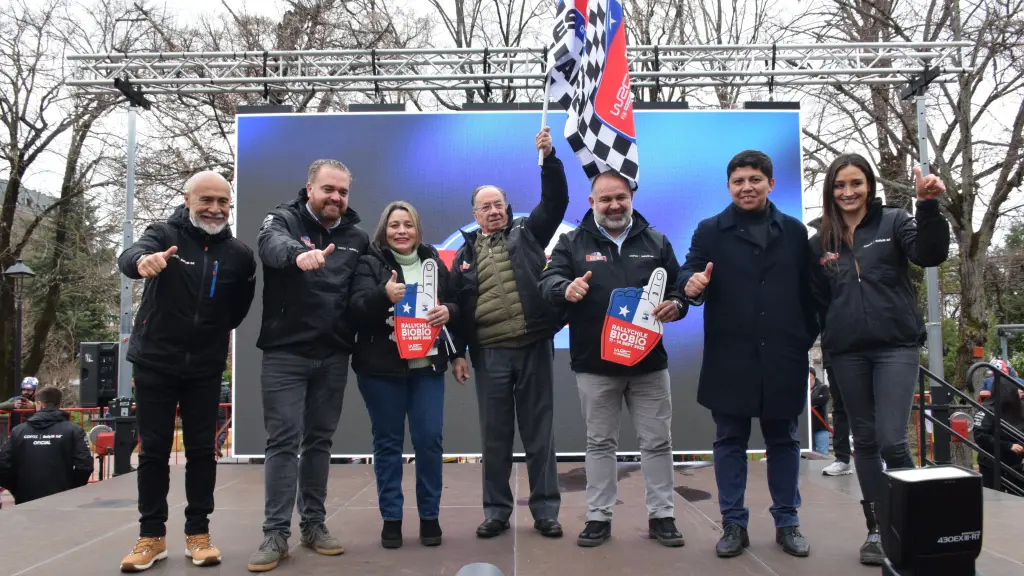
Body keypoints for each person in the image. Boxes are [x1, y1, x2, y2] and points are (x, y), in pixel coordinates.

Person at [808, 153, 949, 565]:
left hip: (895, 347)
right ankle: (878, 529)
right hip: (845, 352)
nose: (848, 192)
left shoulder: (895, 221)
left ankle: (913, 522)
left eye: (856, 183)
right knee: (865, 441)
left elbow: (930, 254)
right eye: (839, 185)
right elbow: (816, 301)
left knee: (892, 439)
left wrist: (927, 206)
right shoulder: (819, 242)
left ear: (869, 185)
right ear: (830, 191)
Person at [678, 150, 818, 559]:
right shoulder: (710, 231)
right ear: (728, 187)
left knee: (784, 439)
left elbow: (810, 293)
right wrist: (690, 284)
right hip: (730, 355)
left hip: (783, 357)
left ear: (771, 184)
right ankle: (733, 524)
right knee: (729, 439)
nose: (747, 187)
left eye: (755, 179)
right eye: (738, 181)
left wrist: (801, 339)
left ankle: (787, 523)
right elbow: (688, 271)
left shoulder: (794, 232)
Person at [115, 171, 257, 572]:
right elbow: (131, 256)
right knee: (154, 451)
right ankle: (151, 536)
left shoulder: (240, 254)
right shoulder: (163, 234)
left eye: (222, 201)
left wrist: (211, 333)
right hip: (155, 362)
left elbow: (238, 309)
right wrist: (142, 261)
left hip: (205, 367)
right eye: (205, 200)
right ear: (187, 199)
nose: (214, 208)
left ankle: (198, 533)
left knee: (201, 452)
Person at [539, 170, 688, 548]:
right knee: (599, 443)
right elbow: (547, 282)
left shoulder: (656, 241)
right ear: (592, 203)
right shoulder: (571, 243)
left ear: (631, 199)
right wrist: (564, 288)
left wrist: (678, 304)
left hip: (649, 363)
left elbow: (678, 288)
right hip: (595, 364)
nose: (614, 205)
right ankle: (598, 517)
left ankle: (663, 516)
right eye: (605, 199)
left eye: (621, 197)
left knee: (658, 442)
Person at [248, 158, 370, 572]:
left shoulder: (357, 237)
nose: (336, 197)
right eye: (328, 189)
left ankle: (314, 525)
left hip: (334, 354)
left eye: (343, 191)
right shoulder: (282, 219)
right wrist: (299, 254)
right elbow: (270, 244)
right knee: (283, 441)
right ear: (310, 188)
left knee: (319, 442)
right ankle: (275, 534)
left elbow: (362, 292)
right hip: (285, 353)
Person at [448, 128, 569, 539]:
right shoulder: (463, 257)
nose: (493, 211)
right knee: (495, 438)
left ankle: (546, 511)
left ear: (507, 207)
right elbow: (456, 310)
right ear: (475, 214)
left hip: (534, 346)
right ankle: (496, 511)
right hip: (489, 355)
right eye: (485, 207)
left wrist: (549, 159)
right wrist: (457, 353)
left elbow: (556, 201)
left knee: (540, 434)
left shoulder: (529, 233)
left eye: (498, 204)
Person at [350, 201, 458, 549]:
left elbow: (456, 303)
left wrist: (449, 311)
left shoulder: (433, 262)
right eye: (395, 225)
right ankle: (392, 519)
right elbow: (356, 309)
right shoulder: (369, 262)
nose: (401, 231)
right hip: (381, 370)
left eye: (408, 225)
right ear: (384, 229)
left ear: (418, 230)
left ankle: (430, 516)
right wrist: (383, 295)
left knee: (429, 440)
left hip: (427, 368)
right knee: (388, 443)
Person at [0, 386, 92, 504]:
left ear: (39, 404)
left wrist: (17, 488)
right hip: (62, 499)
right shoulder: (74, 430)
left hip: (26, 499)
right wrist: (71, 488)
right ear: (59, 404)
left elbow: (3, 464)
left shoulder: (18, 431)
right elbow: (85, 466)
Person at [974, 376, 1024, 494]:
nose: (1021, 392)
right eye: (1017, 389)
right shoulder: (987, 410)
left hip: (1017, 464)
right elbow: (980, 436)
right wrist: (1008, 446)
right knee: (993, 497)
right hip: (992, 464)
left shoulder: (1020, 409)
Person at [821, 359, 854, 475]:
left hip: (861, 355)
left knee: (867, 404)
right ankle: (842, 459)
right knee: (839, 407)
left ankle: (878, 457)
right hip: (834, 357)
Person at [809, 368, 830, 456]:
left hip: (820, 427)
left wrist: (809, 401)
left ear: (812, 376)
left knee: (823, 454)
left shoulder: (823, 388)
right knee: (808, 454)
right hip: (807, 430)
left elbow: (822, 400)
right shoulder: (802, 389)